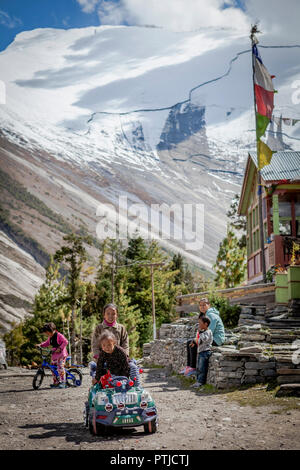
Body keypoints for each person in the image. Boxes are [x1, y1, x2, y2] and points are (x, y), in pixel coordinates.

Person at [90, 303, 140, 386]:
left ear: (117, 315)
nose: (110, 316)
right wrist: (98, 356)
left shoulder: (121, 328)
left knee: (133, 367)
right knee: (99, 371)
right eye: (108, 313)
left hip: (120, 357)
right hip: (104, 358)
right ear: (104, 315)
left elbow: (125, 343)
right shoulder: (99, 328)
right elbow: (95, 344)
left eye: (113, 314)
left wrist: (125, 355)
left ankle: (135, 386)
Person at [180, 297, 225, 376]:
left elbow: (209, 332)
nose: (202, 307)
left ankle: (193, 367)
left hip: (216, 339)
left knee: (193, 343)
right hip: (209, 337)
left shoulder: (211, 315)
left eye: (204, 305)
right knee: (190, 343)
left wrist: (197, 340)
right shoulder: (204, 315)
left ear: (209, 305)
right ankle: (189, 366)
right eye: (200, 305)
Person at [36, 322, 69, 388]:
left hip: (61, 354)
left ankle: (63, 382)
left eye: (48, 333)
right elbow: (47, 343)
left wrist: (60, 348)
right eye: (46, 333)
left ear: (52, 330)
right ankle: (56, 382)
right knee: (52, 368)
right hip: (54, 354)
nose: (47, 334)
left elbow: (66, 341)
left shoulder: (59, 335)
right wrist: (41, 345)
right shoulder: (50, 337)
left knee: (60, 367)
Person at [191, 316, 213, 388]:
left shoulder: (208, 332)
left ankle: (201, 382)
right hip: (201, 352)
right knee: (199, 367)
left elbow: (202, 340)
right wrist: (194, 341)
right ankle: (198, 381)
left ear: (206, 324)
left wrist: (200, 333)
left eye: (200, 323)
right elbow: (198, 340)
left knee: (202, 368)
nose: (199, 324)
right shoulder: (203, 332)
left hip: (205, 352)